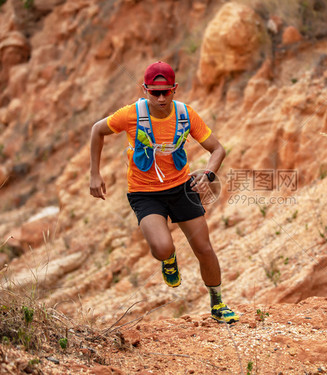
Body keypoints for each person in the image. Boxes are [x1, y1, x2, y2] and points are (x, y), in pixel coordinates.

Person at [89, 61, 239, 324]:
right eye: (154, 92)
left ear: (175, 89)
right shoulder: (131, 114)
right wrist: (94, 173)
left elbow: (218, 149)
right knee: (161, 247)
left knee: (204, 248)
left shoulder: (186, 114)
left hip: (182, 187)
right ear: (145, 89)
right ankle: (168, 259)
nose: (160, 98)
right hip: (144, 192)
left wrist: (207, 174)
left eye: (166, 92)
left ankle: (217, 303)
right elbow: (97, 130)